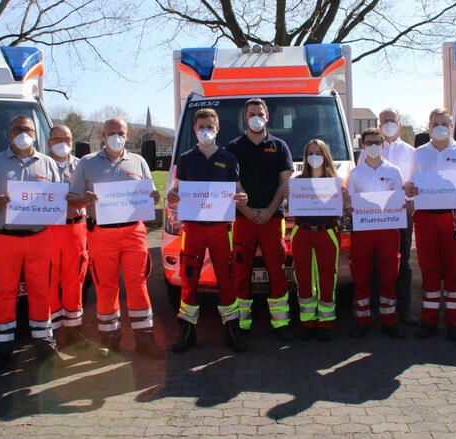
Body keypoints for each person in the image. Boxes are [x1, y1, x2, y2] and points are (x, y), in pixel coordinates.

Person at [67, 117, 162, 358]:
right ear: (103, 135)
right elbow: (72, 198)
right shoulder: (87, 163)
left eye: (120, 132)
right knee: (106, 286)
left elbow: (150, 196)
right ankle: (109, 340)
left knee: (138, 284)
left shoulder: (139, 161)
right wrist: (83, 200)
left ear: (128, 135)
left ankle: (145, 339)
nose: (116, 136)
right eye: (111, 132)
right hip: (101, 233)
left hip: (134, 232)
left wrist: (154, 197)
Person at [0, 115, 60, 375]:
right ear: (9, 134)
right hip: (5, 239)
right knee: (4, 294)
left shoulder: (48, 164)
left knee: (41, 292)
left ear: (35, 134)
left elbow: (58, 199)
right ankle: (2, 351)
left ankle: (44, 345)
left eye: (28, 129)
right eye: (18, 129)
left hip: (39, 238)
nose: (24, 133)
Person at [166, 108, 248, 353]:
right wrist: (173, 195)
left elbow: (237, 188)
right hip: (193, 228)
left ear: (218, 128)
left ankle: (232, 329)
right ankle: (187, 330)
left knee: (227, 276)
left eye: (210, 127)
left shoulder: (229, 158)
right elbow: (177, 189)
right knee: (189, 277)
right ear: (194, 129)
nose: (206, 131)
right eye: (201, 127)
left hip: (221, 227)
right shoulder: (186, 159)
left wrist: (242, 197)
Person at [403, 108, 456, 341]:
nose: (439, 127)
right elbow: (410, 181)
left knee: (453, 270)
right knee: (428, 269)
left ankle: (454, 322)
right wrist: (408, 188)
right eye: (435, 123)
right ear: (428, 126)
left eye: (444, 123)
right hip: (425, 216)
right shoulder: (419, 154)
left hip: (454, 217)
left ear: (451, 126)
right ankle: (428, 321)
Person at [226, 98, 294, 340]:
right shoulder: (233, 147)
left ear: (267, 117)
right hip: (242, 220)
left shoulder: (279, 146)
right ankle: (242, 324)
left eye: (260, 113)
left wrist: (268, 210)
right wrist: (248, 211)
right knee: (241, 269)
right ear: (245, 117)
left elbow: (285, 182)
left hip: (272, 219)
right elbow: (232, 182)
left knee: (277, 268)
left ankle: (281, 323)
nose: (256, 117)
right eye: (252, 113)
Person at [357, 108, 417, 326]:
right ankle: (375, 309)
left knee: (403, 262)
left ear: (399, 124)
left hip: (401, 214)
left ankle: (404, 309)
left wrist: (413, 205)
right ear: (379, 125)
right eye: (384, 122)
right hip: (373, 216)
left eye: (391, 121)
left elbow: (416, 184)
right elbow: (361, 183)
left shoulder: (411, 152)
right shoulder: (367, 152)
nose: (388, 124)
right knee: (375, 262)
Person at [346, 127, 406, 339]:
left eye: (376, 142)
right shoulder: (355, 173)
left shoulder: (394, 171)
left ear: (383, 144)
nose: (373, 146)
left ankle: (389, 320)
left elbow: (400, 200)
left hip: (388, 229)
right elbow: (351, 202)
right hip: (363, 230)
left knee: (390, 274)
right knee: (361, 273)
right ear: (362, 146)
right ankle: (362, 319)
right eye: (368, 142)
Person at [290, 139, 345, 341]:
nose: (314, 157)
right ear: (305, 158)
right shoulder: (297, 181)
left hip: (327, 231)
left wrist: (344, 199)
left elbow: (341, 209)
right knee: (302, 276)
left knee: (327, 276)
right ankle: (307, 322)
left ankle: (326, 323)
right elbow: (290, 208)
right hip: (302, 232)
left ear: (326, 156)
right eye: (310, 153)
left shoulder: (335, 181)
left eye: (318, 153)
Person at [45, 124, 89, 348]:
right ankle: (51, 329)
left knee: (76, 277)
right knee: (50, 279)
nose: (63, 143)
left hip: (76, 227)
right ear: (49, 142)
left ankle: (74, 327)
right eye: (57, 139)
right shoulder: (40, 165)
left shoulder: (83, 165)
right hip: (49, 229)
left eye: (68, 139)